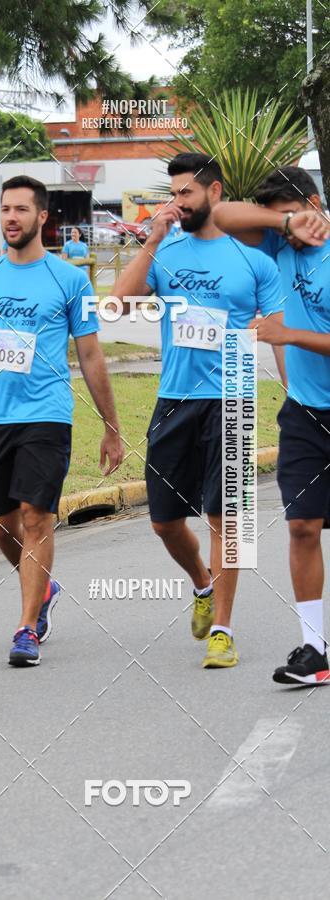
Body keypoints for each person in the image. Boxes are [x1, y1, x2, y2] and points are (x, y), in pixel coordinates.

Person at [0, 175, 123, 667]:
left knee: (36, 518)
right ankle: (44, 590)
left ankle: (25, 628)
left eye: (20, 210)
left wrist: (111, 427)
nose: (10, 217)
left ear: (42, 217)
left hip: (47, 415)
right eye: (4, 209)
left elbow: (93, 357)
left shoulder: (69, 278)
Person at [112, 152, 283, 669]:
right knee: (165, 522)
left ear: (214, 192)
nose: (177, 202)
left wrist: (293, 394)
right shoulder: (166, 252)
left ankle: (224, 631)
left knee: (225, 519)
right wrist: (154, 239)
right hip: (175, 398)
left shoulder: (254, 261)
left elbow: (276, 330)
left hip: (231, 400)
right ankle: (202, 584)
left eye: (186, 192)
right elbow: (119, 303)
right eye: (173, 193)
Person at [213, 166, 330, 684]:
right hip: (305, 413)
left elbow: (296, 334)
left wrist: (287, 335)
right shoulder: (282, 246)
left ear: (315, 201)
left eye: (295, 209)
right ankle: (314, 649)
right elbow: (220, 214)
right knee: (303, 526)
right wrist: (286, 223)